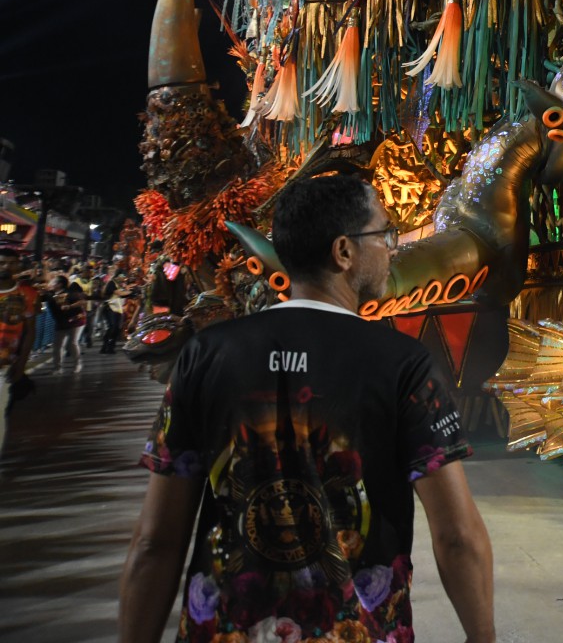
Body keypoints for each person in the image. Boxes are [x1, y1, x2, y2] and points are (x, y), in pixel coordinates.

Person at [117, 171, 497, 643]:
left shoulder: (205, 355)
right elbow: (458, 536)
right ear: (344, 252)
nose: (392, 248)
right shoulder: (402, 363)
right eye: (384, 234)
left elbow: (156, 542)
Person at [0, 250, 39, 460]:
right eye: (2, 263)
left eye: (11, 263)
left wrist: (21, 364)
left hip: (6, 363)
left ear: (18, 267)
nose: (6, 267)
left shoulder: (28, 294)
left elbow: (30, 331)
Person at [47, 273, 87, 371]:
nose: (50, 283)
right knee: (58, 345)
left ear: (60, 284)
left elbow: (82, 302)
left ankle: (77, 364)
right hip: (61, 321)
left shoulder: (70, 293)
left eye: (53, 281)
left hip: (76, 319)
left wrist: (70, 306)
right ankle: (57, 367)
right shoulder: (50, 294)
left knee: (72, 342)